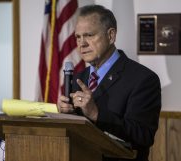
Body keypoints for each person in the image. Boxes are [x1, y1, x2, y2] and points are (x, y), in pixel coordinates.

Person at [58, 4, 161, 161]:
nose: (82, 44)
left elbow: (143, 136)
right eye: (78, 37)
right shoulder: (77, 79)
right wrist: (65, 114)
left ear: (111, 35)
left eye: (89, 35)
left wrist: (96, 114)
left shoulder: (143, 79)